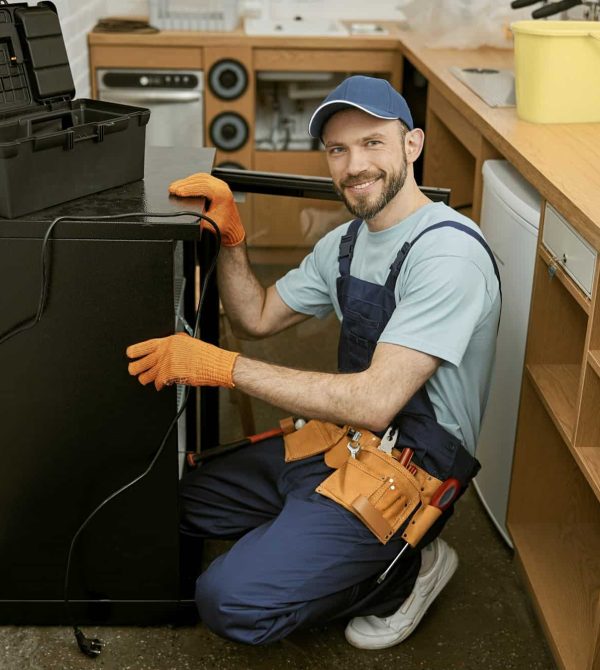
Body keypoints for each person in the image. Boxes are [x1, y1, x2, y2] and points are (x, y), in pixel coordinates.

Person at [126, 75, 501, 649]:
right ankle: (313, 535)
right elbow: (256, 316)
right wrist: (232, 237)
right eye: (338, 149)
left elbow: (377, 400)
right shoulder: (346, 243)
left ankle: (407, 571)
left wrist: (221, 367)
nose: (355, 165)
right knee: (174, 499)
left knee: (229, 600)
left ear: (412, 145)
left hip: (409, 467)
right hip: (338, 438)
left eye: (373, 142)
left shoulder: (447, 253)